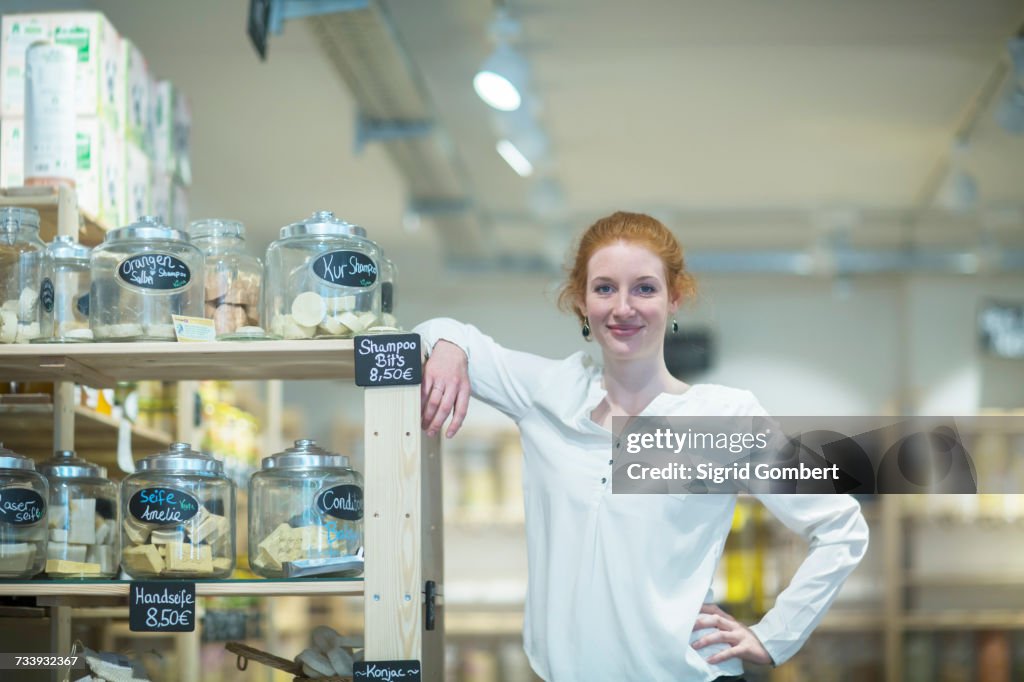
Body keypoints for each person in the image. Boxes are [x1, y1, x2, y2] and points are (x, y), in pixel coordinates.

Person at [414, 211, 869, 681]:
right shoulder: (547, 393)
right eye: (605, 287)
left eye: (645, 288)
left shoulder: (724, 417)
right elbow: (434, 330)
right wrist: (448, 347)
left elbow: (841, 527)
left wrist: (775, 636)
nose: (623, 307)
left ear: (675, 298)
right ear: (581, 300)